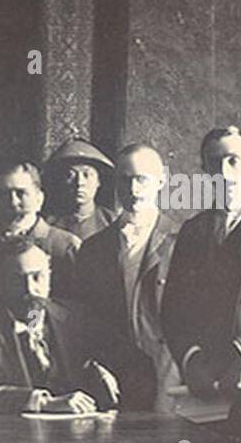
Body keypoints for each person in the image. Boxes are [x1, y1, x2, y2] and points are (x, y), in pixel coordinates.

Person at [160, 126, 241, 403]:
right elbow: (173, 306)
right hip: (205, 381)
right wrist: (191, 358)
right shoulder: (193, 230)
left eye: (233, 161)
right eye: (214, 164)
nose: (225, 173)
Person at [72, 143, 180, 412]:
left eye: (142, 179)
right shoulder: (93, 248)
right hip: (117, 376)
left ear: (161, 181)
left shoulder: (184, 241)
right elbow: (84, 318)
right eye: (125, 179)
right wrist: (95, 365)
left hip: (170, 369)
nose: (133, 190)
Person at [0, 239, 150, 414]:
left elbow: (134, 364)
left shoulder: (76, 318)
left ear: (49, 276)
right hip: (16, 436)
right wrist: (42, 403)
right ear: (0, 283)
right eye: (17, 280)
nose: (30, 289)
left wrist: (110, 375)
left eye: (37, 276)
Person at [0, 162, 81, 298]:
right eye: (5, 194)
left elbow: (79, 306)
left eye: (21, 193)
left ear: (39, 199)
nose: (13, 202)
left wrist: (34, 316)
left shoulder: (65, 246)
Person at [43, 135, 117, 241]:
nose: (79, 182)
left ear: (98, 181)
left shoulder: (111, 222)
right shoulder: (48, 224)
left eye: (87, 175)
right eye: (70, 175)